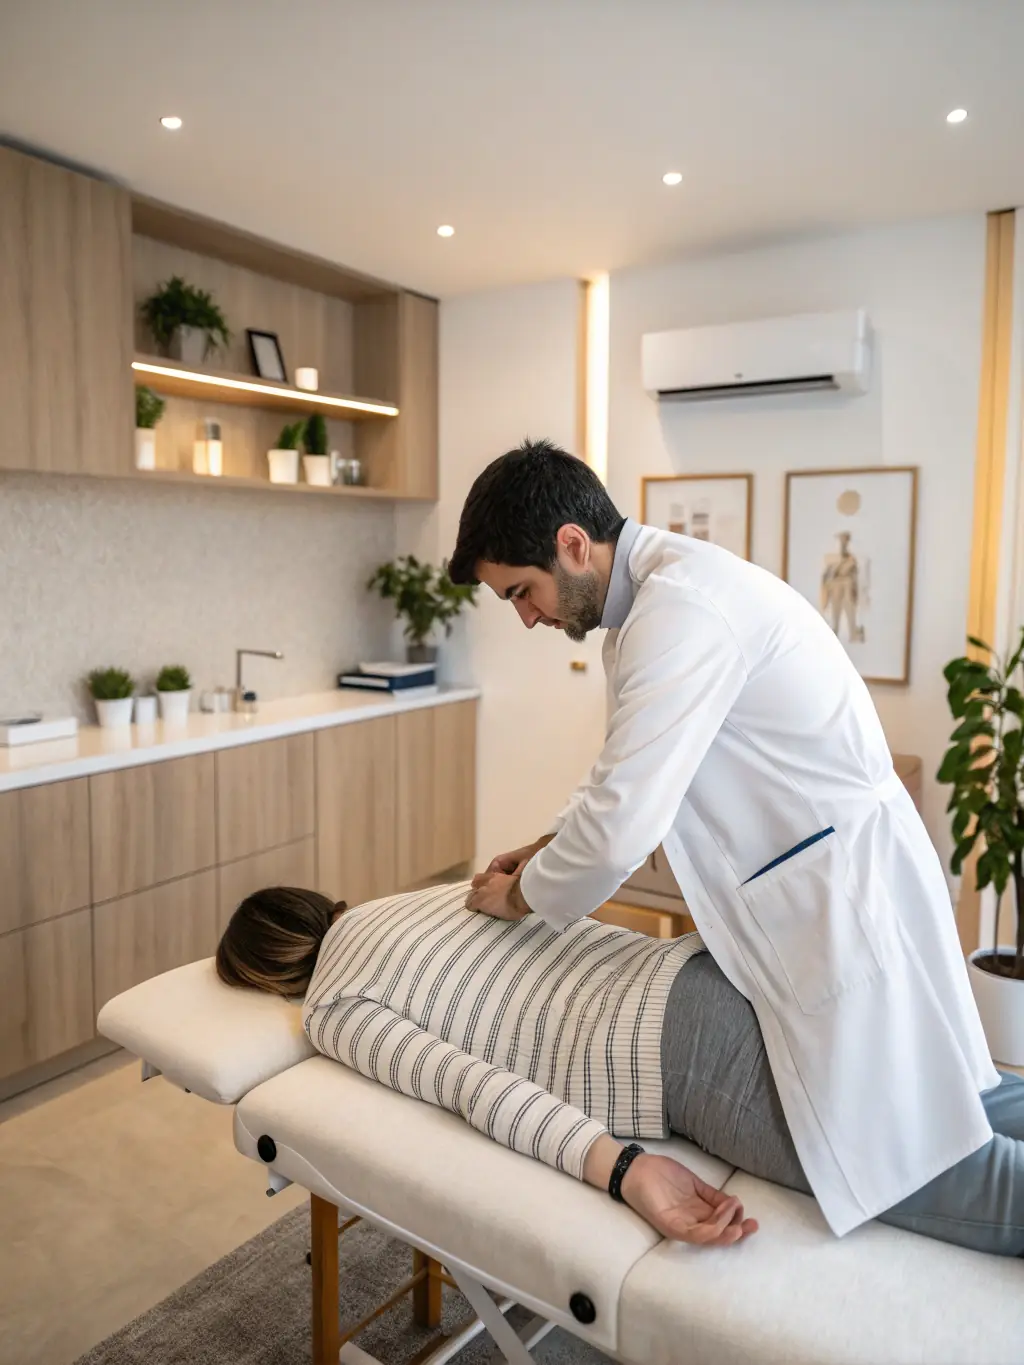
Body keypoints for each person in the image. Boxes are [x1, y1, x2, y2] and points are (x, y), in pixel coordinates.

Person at [446, 438, 1000, 1242]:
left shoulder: (682, 611)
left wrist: (521, 894)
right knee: (951, 1095)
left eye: (521, 592)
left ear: (573, 543)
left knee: (914, 1150)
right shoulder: (653, 610)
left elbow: (617, 832)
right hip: (833, 883)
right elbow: (624, 778)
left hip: (841, 903)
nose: (527, 615)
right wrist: (543, 844)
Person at [216, 881, 1024, 1256]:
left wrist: (625, 1168)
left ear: (264, 976)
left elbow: (474, 1087)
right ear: (321, 899)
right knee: (980, 1093)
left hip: (682, 1050)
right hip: (710, 969)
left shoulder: (333, 1007)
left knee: (965, 1178)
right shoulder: (421, 892)